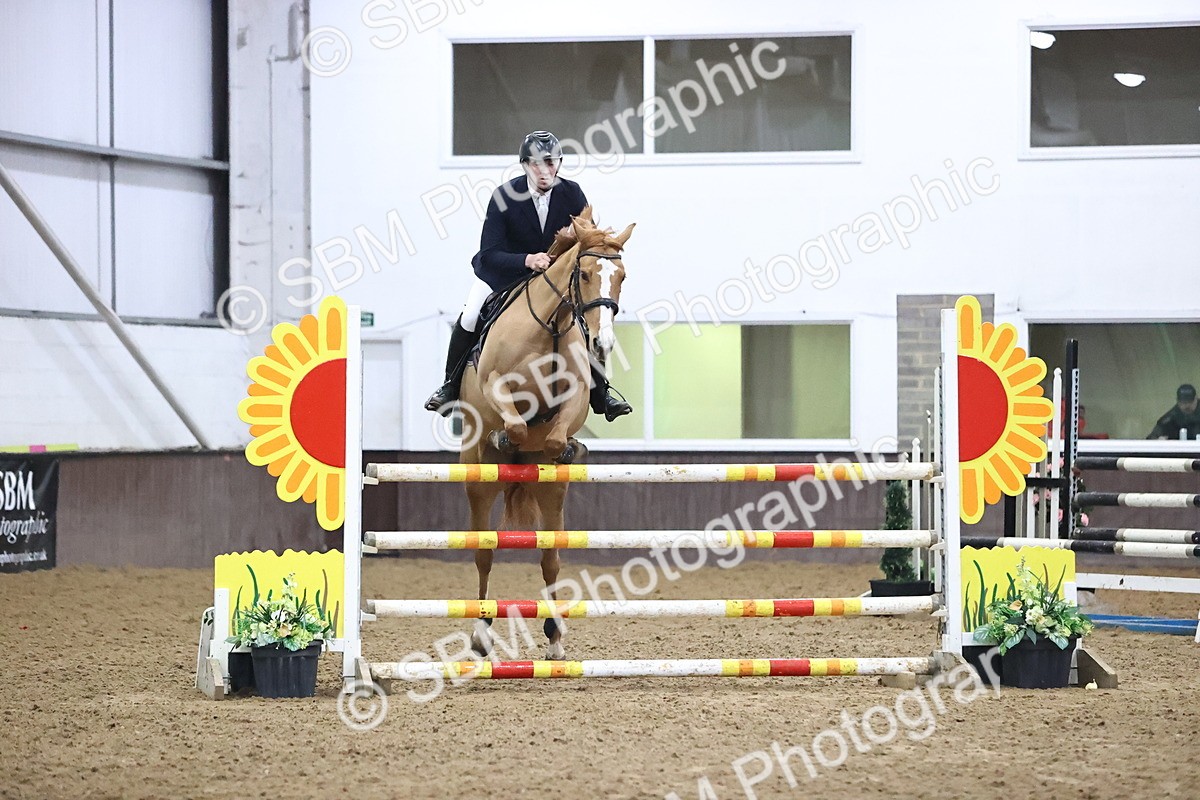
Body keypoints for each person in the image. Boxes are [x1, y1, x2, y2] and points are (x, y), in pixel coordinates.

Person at [423, 130, 632, 422]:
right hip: (505, 275)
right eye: (535, 163)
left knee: (587, 324)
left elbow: (590, 245)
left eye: (550, 162)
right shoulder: (504, 196)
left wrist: (577, 240)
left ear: (558, 163)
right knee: (470, 315)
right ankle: (450, 387)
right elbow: (489, 253)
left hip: (552, 282)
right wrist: (527, 260)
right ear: (524, 165)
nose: (544, 170)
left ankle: (601, 394)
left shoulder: (572, 193)